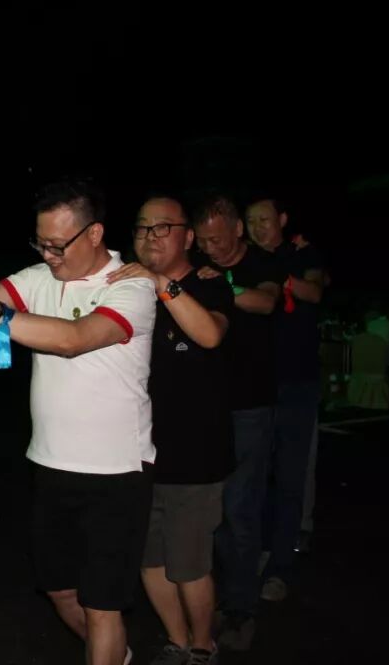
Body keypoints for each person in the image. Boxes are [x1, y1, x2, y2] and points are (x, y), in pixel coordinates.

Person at [0, 177, 156, 665]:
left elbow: (75, 338)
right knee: (60, 591)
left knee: (102, 606)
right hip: (51, 466)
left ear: (94, 234)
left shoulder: (132, 286)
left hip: (115, 474)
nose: (49, 255)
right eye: (41, 243)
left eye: (58, 245)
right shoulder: (38, 278)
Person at [106, 195, 232, 665]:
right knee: (150, 560)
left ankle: (203, 646)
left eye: (163, 228)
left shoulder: (208, 286)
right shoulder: (128, 289)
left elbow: (210, 334)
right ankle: (178, 641)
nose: (150, 237)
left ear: (188, 237)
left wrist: (162, 285)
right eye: (142, 228)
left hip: (196, 456)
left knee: (189, 565)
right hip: (138, 455)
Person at [192, 192, 281, 651]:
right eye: (203, 241)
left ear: (238, 230)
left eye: (218, 239)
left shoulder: (261, 263)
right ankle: (216, 601)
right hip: (207, 406)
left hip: (250, 407)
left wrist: (224, 285)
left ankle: (241, 607)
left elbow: (266, 302)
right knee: (208, 510)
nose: (210, 248)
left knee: (240, 508)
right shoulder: (199, 266)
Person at [245, 195, 327, 601]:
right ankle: (259, 552)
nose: (258, 227)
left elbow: (315, 292)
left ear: (282, 219)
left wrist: (283, 277)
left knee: (291, 476)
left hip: (297, 382)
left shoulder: (303, 253)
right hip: (257, 384)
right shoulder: (248, 260)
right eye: (251, 221)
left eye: (264, 219)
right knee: (254, 475)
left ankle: (281, 564)